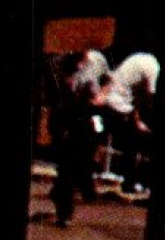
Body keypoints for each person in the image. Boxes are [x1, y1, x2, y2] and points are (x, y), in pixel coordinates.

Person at [47, 50, 108, 228]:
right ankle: (64, 211)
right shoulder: (59, 62)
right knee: (66, 165)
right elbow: (58, 95)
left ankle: (77, 187)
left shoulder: (97, 59)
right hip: (68, 116)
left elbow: (108, 80)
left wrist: (101, 96)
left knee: (82, 159)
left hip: (89, 115)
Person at [97, 52, 158, 196]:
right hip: (119, 105)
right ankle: (130, 183)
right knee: (132, 144)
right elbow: (150, 94)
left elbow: (134, 98)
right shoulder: (153, 67)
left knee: (99, 136)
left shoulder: (138, 58)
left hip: (111, 102)